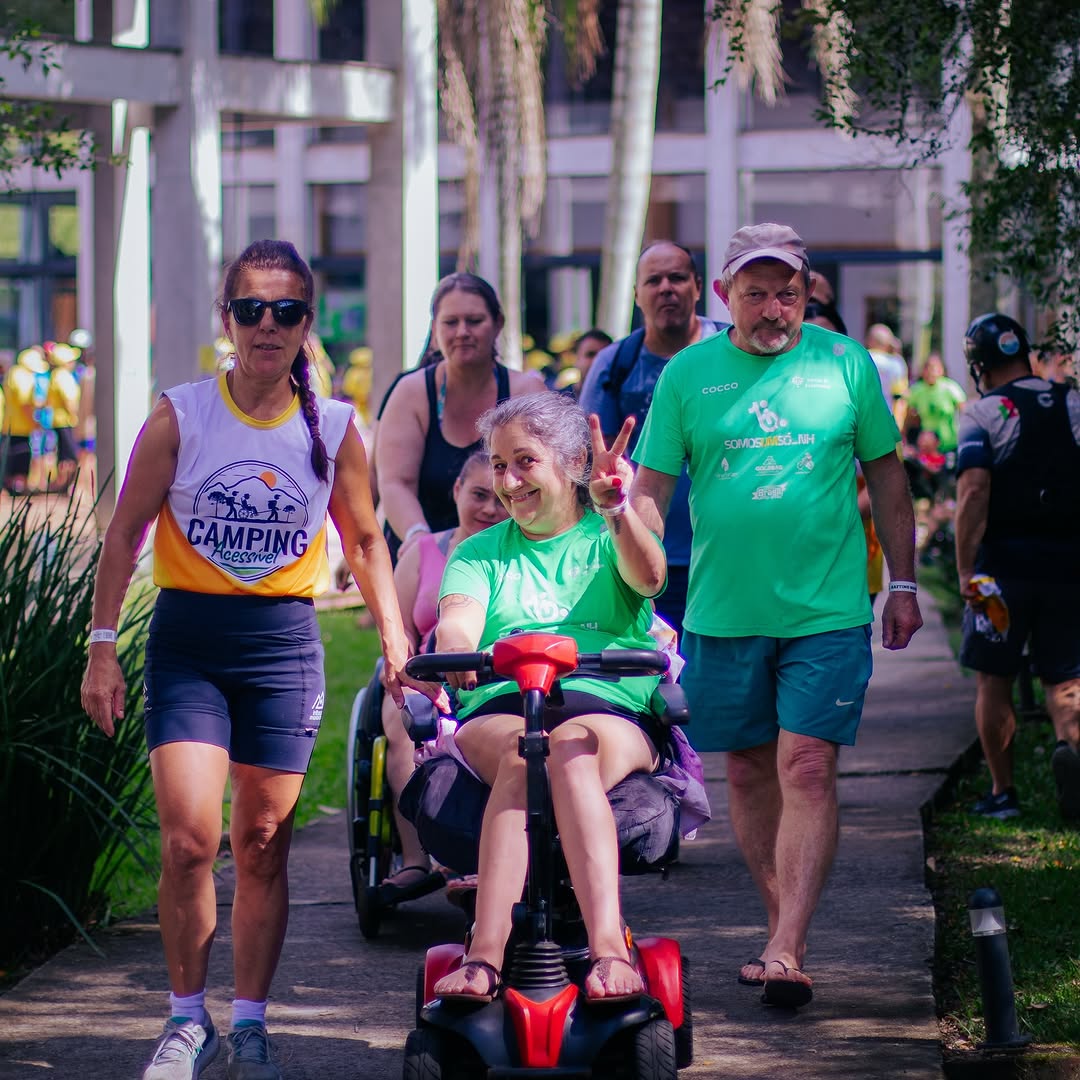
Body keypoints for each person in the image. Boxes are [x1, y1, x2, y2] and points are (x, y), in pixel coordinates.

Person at [79, 239, 446, 1080]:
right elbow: (125, 535)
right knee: (187, 840)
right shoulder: (182, 414)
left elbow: (361, 537)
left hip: (282, 644)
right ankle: (183, 1021)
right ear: (228, 320)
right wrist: (102, 649)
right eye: (251, 309)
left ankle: (248, 1023)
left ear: (306, 325)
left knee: (265, 839)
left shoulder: (336, 425)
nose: (267, 325)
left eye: (285, 310)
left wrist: (395, 639)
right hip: (189, 643)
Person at [631, 222, 923, 1008]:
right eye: (755, 293)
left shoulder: (845, 365)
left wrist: (903, 583)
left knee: (807, 766)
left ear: (807, 294)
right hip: (722, 614)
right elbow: (651, 493)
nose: (772, 308)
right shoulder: (689, 375)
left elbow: (888, 479)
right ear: (724, 296)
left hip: (825, 610)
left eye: (786, 292)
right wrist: (630, 582)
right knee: (749, 771)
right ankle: (779, 927)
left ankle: (788, 942)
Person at [430, 392, 689, 1001]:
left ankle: (608, 949)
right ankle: (484, 955)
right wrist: (460, 650)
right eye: (497, 466)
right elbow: (458, 624)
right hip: (504, 703)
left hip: (608, 703)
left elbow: (651, 578)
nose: (508, 482)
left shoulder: (609, 537)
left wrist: (619, 510)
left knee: (568, 746)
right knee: (529, 752)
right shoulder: (476, 554)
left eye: (524, 462)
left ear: (573, 464)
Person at [953, 313, 1080, 822]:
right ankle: (1072, 746)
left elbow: (974, 492)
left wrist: (965, 570)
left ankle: (1003, 793)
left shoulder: (982, 413)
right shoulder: (1072, 400)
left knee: (993, 678)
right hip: (1069, 566)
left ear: (978, 365)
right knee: (1067, 680)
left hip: (1000, 571)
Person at [375, 450, 506, 903]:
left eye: (500, 499)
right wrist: (411, 672)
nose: (490, 508)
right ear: (456, 492)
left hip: (498, 671)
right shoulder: (423, 552)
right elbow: (400, 631)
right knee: (402, 724)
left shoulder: (517, 551)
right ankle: (417, 858)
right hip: (429, 674)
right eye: (478, 495)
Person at [579, 241, 724, 641]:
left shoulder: (733, 350)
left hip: (730, 558)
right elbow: (592, 455)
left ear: (698, 286)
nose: (666, 288)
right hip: (647, 560)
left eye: (677, 278)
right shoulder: (614, 363)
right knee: (657, 684)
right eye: (653, 280)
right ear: (636, 294)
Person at [376, 273, 545, 563]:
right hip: (419, 551)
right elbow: (395, 482)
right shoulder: (410, 392)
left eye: (475, 321)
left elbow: (544, 480)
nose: (462, 332)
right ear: (434, 328)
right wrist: (421, 540)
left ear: (498, 324)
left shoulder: (527, 391)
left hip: (507, 554)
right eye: (451, 322)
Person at [905, 352, 967, 455]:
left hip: (949, 444)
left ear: (941, 370)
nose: (930, 372)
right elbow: (908, 417)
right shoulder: (917, 390)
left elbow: (964, 412)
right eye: (927, 368)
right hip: (927, 446)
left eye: (934, 368)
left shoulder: (950, 388)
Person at [866, 322, 909, 430]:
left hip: (862, 419)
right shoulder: (896, 363)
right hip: (886, 420)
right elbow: (900, 396)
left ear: (870, 340)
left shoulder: (861, 358)